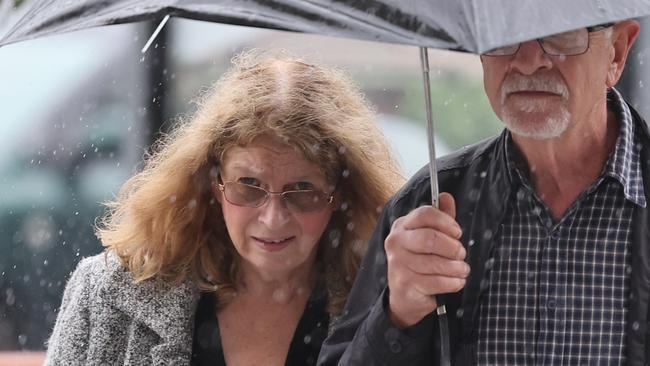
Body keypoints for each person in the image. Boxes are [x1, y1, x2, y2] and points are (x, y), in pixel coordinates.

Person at [43, 50, 404, 365]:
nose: (273, 218)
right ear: (214, 182)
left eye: (302, 191)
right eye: (249, 187)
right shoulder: (109, 293)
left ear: (339, 194)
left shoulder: (388, 305)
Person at [319, 19, 646, 365]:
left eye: (561, 34)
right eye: (503, 35)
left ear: (617, 51)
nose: (528, 60)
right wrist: (398, 315)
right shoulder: (426, 205)